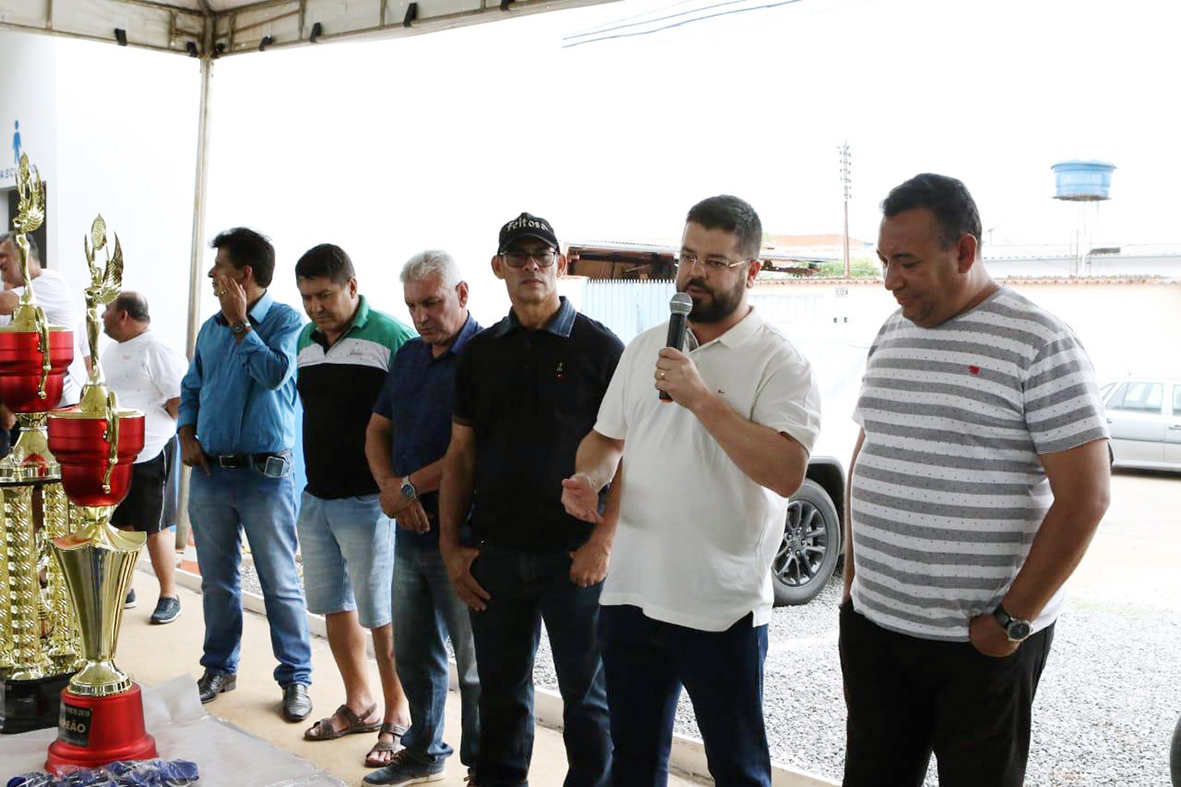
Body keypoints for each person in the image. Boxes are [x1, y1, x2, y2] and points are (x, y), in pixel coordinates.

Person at [840, 173, 1111, 787]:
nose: (890, 281)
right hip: (876, 630)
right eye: (884, 262)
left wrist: (1010, 623)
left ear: (964, 251)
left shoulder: (1041, 342)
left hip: (980, 644)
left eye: (906, 262)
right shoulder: (892, 332)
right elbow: (870, 447)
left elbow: (1086, 498)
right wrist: (855, 582)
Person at [562, 195, 821, 786]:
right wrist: (589, 478)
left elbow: (786, 473)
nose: (693, 273)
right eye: (686, 256)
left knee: (737, 769)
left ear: (751, 271)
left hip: (720, 605)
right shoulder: (645, 346)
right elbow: (605, 440)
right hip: (631, 594)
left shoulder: (779, 362)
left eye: (715, 261)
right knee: (631, 765)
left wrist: (701, 398)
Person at [439, 213, 622, 787]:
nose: (531, 267)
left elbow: (631, 453)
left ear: (560, 263)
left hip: (573, 561)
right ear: (499, 268)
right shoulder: (482, 353)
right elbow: (461, 455)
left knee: (587, 702)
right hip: (495, 557)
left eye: (542, 256)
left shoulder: (600, 348)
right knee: (500, 697)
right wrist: (451, 546)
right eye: (517, 258)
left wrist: (602, 542)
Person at [178, 227, 314, 722]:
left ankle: (296, 678)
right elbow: (191, 385)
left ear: (245, 274)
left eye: (220, 266)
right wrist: (186, 434)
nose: (213, 274)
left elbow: (276, 373)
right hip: (212, 475)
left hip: (266, 477)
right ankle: (219, 667)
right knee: (217, 581)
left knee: (279, 582)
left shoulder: (287, 321)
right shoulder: (210, 329)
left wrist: (241, 325)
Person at [291, 244, 416, 765]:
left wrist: (400, 487)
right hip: (316, 497)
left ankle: (397, 714)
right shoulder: (304, 340)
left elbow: (415, 417)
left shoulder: (391, 336)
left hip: (371, 502)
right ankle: (359, 703)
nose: (316, 307)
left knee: (381, 615)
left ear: (352, 287)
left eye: (325, 294)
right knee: (332, 606)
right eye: (306, 297)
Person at [363, 251, 482, 786]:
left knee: (478, 666)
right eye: (412, 306)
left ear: (461, 293)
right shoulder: (409, 356)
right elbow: (376, 431)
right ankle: (423, 749)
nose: (420, 317)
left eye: (431, 302)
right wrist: (391, 490)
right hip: (408, 531)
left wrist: (407, 487)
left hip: (469, 536)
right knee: (412, 653)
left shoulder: (487, 356)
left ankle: (485, 767)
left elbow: (474, 450)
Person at [101, 291, 188, 622]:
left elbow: (180, 399)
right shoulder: (112, 350)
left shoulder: (157, 349)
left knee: (155, 526)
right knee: (121, 524)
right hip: (116, 454)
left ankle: (170, 594)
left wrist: (156, 421)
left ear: (123, 315)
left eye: (108, 310)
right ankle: (126, 588)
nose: (103, 316)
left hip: (152, 451)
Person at [0, 232, 88, 405]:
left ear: (24, 254)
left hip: (63, 398)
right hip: (33, 397)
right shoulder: (19, 294)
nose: (0, 262)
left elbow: (3, 303)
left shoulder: (50, 283)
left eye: (4, 255)